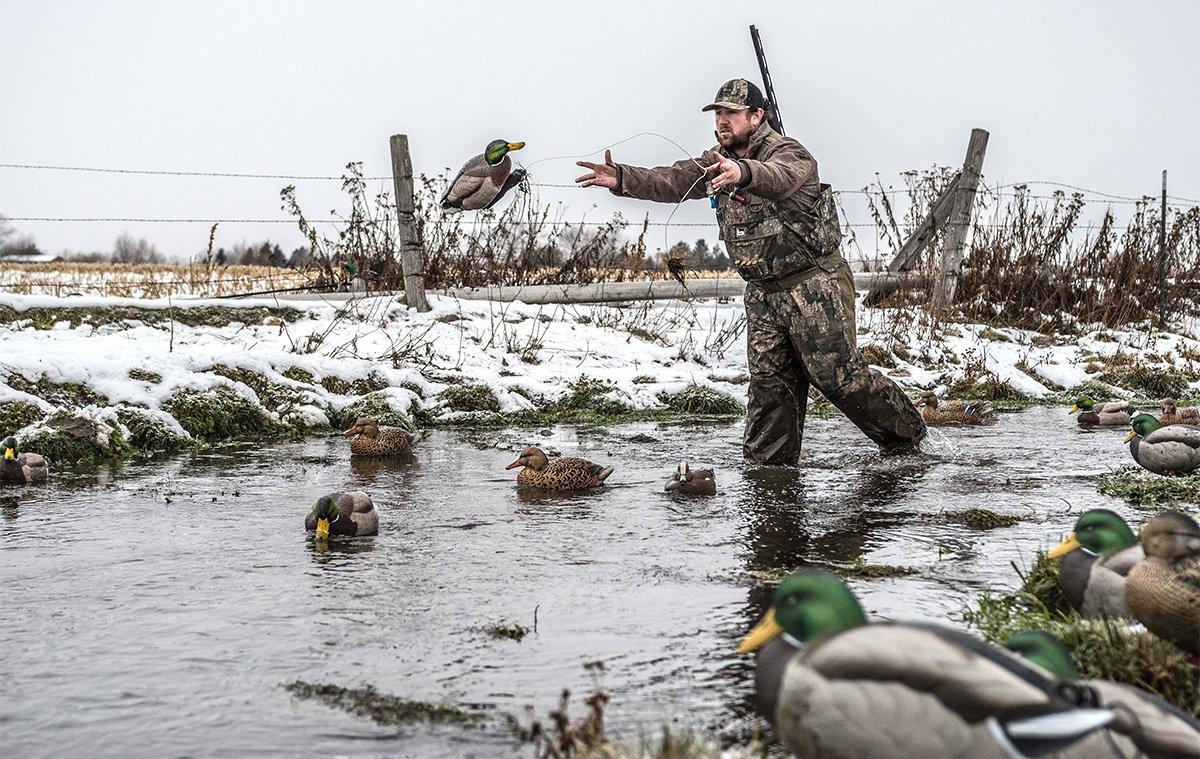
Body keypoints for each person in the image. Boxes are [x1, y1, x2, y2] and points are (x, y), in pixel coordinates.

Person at [575, 79, 926, 464]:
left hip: (813, 283)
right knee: (769, 388)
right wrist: (622, 178)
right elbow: (672, 179)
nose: (722, 120)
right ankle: (769, 475)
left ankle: (910, 438)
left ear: (757, 116)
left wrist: (742, 173)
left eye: (731, 113)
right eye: (718, 113)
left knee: (837, 377)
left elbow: (778, 176)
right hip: (763, 293)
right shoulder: (715, 161)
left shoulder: (790, 153)